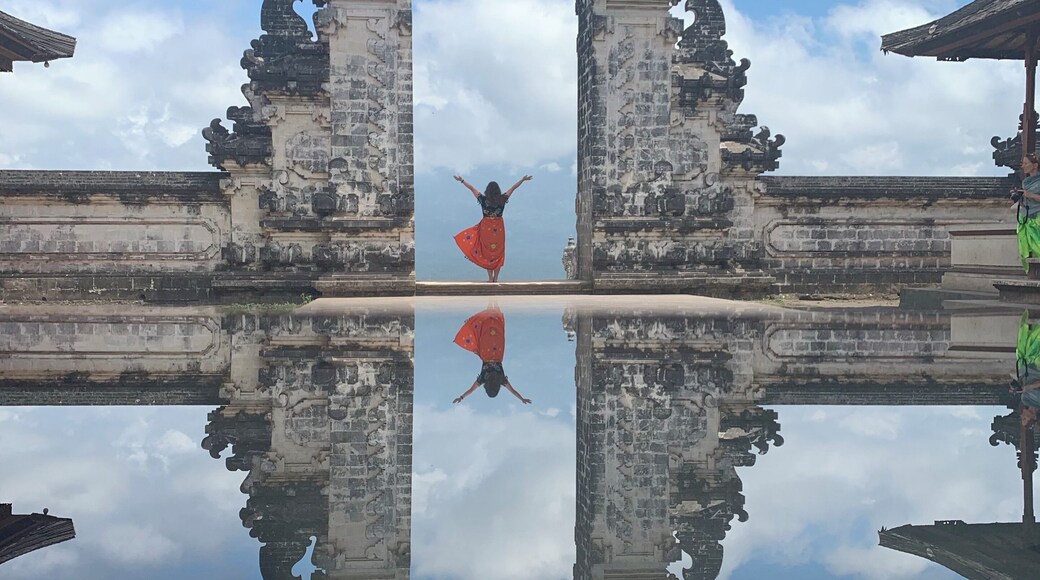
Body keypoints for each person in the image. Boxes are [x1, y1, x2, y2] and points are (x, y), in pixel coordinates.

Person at [452, 175, 533, 282]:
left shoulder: (483, 199)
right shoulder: (503, 199)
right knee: (498, 252)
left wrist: (461, 180)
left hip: (486, 228)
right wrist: (523, 180)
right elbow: (513, 188)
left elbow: (471, 188)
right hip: (499, 229)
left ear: (487, 190)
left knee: (487, 252)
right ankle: (496, 278)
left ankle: (490, 278)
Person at [451, 305, 531, 404]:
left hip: (496, 351)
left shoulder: (496, 379)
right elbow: (471, 390)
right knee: (488, 331)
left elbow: (513, 391)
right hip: (488, 351)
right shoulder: (486, 379)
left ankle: (494, 304)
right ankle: (490, 305)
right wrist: (461, 398)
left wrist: (522, 399)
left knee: (496, 330)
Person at [1015, 153, 1040, 272]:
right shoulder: (1025, 182)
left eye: (1026, 163)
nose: (1023, 166)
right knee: (1025, 248)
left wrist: (1032, 195)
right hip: (1025, 217)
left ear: (1034, 165)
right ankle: (1031, 271)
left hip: (1037, 217)